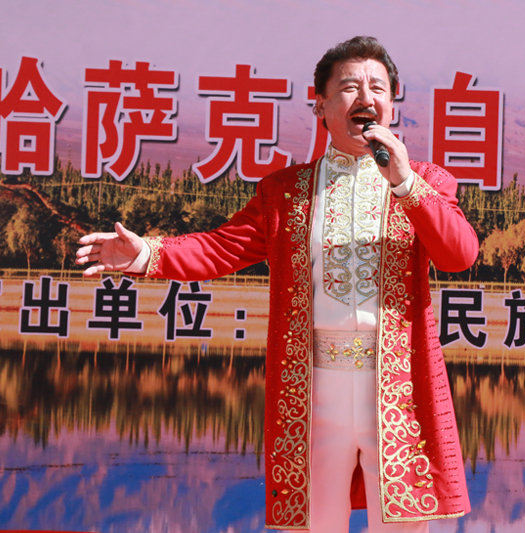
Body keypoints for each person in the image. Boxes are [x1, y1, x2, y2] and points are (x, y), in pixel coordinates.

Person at [76, 36, 477, 532]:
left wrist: (405, 183)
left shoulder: (426, 181)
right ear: (321, 105)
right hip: (313, 389)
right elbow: (220, 247)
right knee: (310, 524)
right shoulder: (286, 193)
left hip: (396, 388)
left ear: (392, 105)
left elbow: (460, 254)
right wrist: (145, 254)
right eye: (349, 87)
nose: (365, 97)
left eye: (378, 87)